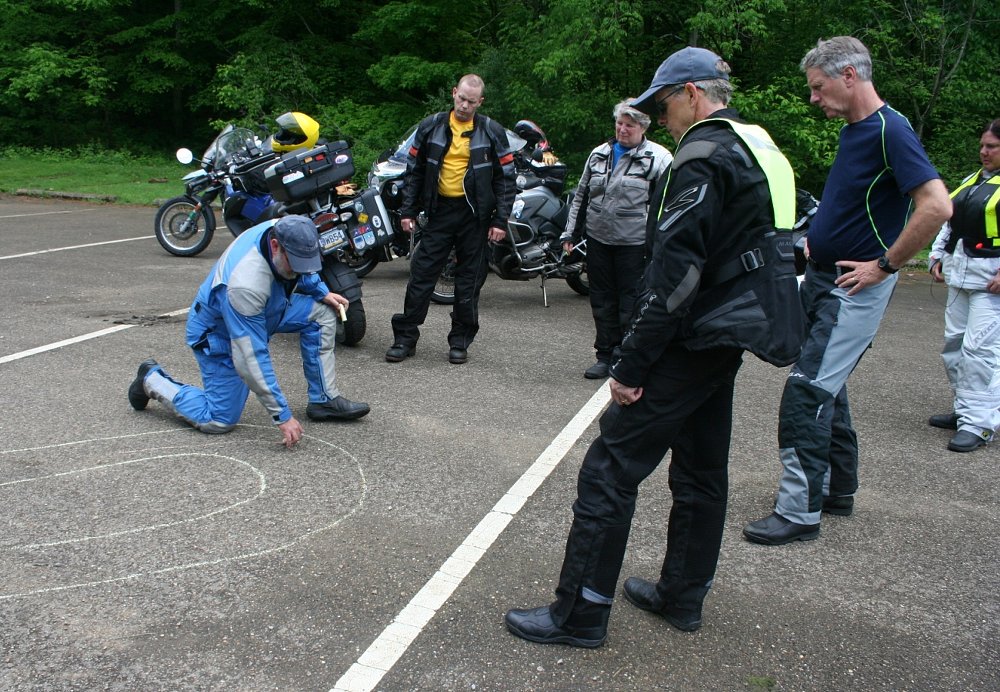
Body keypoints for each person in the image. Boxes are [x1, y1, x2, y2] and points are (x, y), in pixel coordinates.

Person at [504, 46, 804, 647]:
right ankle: (681, 596)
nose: (660, 117)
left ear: (692, 93)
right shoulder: (758, 145)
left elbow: (675, 276)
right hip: (732, 333)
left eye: (663, 104)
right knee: (700, 470)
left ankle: (580, 614)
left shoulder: (700, 154)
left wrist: (632, 361)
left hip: (692, 335)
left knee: (608, 469)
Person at [743, 37, 952, 546]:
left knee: (807, 391)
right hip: (823, 276)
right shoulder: (855, 131)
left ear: (850, 76)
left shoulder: (890, 130)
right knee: (827, 389)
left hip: (851, 290)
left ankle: (799, 511)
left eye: (819, 87)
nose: (814, 98)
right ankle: (837, 487)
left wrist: (885, 265)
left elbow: (937, 206)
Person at [128, 215, 370, 449]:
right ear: (276, 246)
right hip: (219, 334)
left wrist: (321, 292)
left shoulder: (288, 230)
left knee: (323, 314)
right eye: (295, 264)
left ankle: (323, 400)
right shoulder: (245, 284)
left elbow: (305, 269)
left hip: (269, 308)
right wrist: (282, 415)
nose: (300, 270)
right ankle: (151, 379)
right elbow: (250, 357)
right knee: (217, 420)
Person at [385, 74, 517, 365]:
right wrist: (407, 211)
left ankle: (460, 341)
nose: (464, 105)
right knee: (421, 275)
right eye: (461, 98)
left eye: (471, 102)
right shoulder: (431, 126)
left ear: (480, 102)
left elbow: (506, 179)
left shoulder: (491, 131)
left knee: (469, 282)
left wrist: (500, 221)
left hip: (476, 217)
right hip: (440, 212)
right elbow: (414, 171)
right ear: (454, 93)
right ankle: (405, 338)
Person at [561, 100, 673, 379]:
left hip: (635, 245)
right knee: (601, 301)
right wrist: (569, 234)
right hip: (599, 241)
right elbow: (581, 197)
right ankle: (605, 355)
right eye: (619, 123)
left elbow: (666, 207)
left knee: (632, 303)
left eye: (630, 125)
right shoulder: (599, 154)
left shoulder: (659, 158)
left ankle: (628, 357)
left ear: (643, 127)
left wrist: (660, 245)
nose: (623, 129)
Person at [926, 118, 1000, 453]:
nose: (984, 152)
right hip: (960, 276)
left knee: (978, 353)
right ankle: (965, 410)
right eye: (983, 145)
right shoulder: (973, 181)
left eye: (992, 147)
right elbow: (949, 220)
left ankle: (980, 424)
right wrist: (937, 255)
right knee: (954, 347)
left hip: (991, 283)